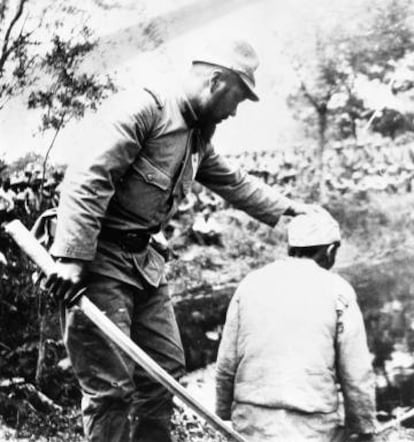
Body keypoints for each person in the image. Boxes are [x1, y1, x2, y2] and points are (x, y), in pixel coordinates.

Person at [45, 37, 322, 442]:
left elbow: (235, 183)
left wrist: (290, 210)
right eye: (237, 99)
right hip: (99, 264)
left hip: (144, 266)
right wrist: (70, 258)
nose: (234, 112)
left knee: (164, 373)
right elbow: (89, 177)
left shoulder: (197, 136)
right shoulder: (145, 109)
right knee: (111, 390)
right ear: (215, 81)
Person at [216, 211, 377, 442]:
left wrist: (224, 414)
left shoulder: (250, 284)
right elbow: (356, 371)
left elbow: (226, 364)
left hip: (251, 422)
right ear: (331, 251)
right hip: (312, 426)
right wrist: (363, 428)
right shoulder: (337, 290)